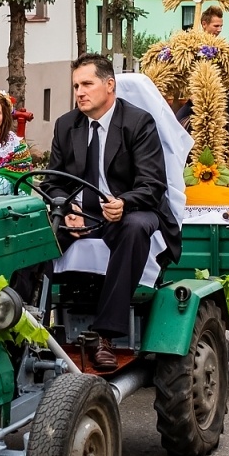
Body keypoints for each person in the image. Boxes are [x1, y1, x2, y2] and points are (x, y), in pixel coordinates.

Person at [46, 53, 178, 372]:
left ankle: (104, 335)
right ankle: (29, 328)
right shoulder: (66, 125)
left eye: (87, 84)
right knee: (34, 233)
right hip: (82, 214)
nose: (80, 92)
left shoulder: (138, 122)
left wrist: (124, 203)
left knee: (135, 227)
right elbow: (53, 182)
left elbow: (153, 184)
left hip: (130, 209)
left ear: (109, 85)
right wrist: (68, 208)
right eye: (76, 86)